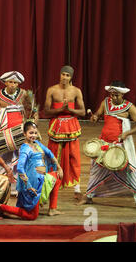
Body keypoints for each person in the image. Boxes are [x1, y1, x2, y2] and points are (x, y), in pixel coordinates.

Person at [77, 81, 136, 212]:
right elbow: (97, 115)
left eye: (116, 95)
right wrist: (95, 117)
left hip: (119, 145)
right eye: (112, 95)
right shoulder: (105, 103)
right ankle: (89, 196)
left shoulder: (129, 107)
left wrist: (127, 133)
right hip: (104, 143)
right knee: (96, 170)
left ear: (122, 94)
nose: (113, 97)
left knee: (130, 171)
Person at [0, 121, 63, 220]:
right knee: (31, 216)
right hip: (31, 184)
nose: (34, 135)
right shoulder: (25, 149)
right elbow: (20, 168)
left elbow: (49, 153)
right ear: (24, 134)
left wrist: (59, 167)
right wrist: (28, 186)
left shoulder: (37, 143)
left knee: (58, 176)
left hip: (41, 178)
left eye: (35, 133)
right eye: (31, 133)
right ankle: (1, 207)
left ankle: (52, 209)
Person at [44, 65, 85, 200]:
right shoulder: (52, 90)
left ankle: (77, 189)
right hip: (57, 125)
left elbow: (82, 112)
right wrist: (61, 109)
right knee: (53, 155)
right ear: (60, 74)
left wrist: (70, 110)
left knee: (74, 156)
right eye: (63, 74)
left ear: (71, 77)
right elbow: (46, 111)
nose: (65, 77)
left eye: (68, 75)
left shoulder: (76, 91)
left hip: (71, 126)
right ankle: (51, 184)